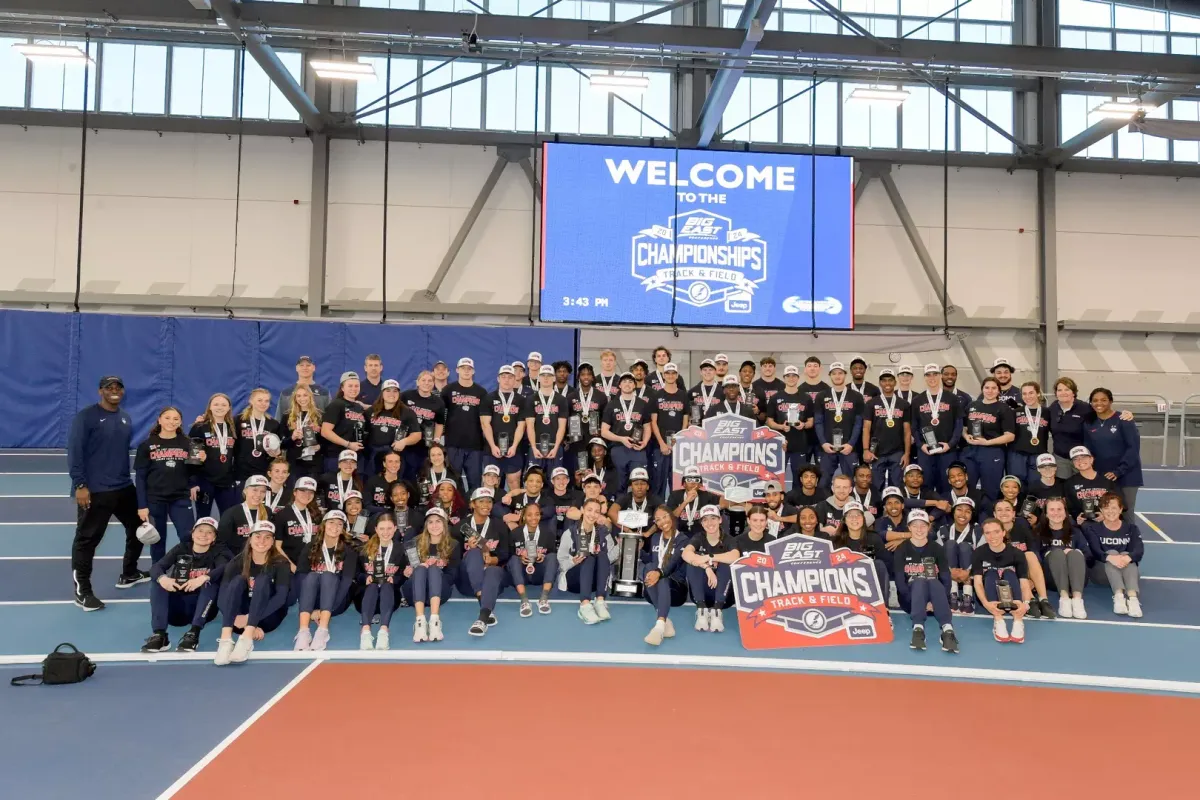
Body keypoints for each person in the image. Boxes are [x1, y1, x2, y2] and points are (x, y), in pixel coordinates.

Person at [141, 516, 228, 653]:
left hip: (204, 609)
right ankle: (159, 635)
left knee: (210, 583)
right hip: (178, 610)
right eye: (200, 530)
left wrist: (205, 577)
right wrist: (163, 579)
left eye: (209, 532)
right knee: (158, 582)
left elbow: (225, 567)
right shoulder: (181, 548)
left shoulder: (218, 552)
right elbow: (156, 567)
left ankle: (194, 633)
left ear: (214, 538)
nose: (204, 535)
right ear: (193, 534)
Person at [214, 520, 292, 665]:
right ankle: (226, 641)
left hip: (268, 615)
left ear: (273, 541)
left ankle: (247, 638)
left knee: (262, 580)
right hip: (238, 620)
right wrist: (236, 618)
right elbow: (223, 595)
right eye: (258, 536)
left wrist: (250, 620)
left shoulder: (281, 563)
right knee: (237, 581)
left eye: (267, 537)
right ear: (250, 539)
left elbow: (281, 598)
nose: (262, 541)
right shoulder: (237, 561)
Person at [135, 406, 196, 565]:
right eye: (167, 418)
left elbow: (194, 471)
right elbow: (140, 477)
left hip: (180, 497)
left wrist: (200, 462)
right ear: (159, 420)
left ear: (181, 422)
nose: (171, 421)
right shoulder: (147, 445)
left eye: (176, 419)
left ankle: (186, 567)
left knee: (187, 535)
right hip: (155, 499)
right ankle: (158, 568)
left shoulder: (188, 443)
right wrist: (142, 505)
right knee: (157, 537)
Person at [893, 509, 959, 653]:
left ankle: (947, 630)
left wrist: (936, 600)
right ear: (909, 527)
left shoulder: (937, 548)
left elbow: (946, 579)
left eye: (923, 525)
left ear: (929, 527)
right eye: (915, 525)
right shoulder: (901, 549)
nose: (919, 529)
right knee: (919, 581)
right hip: (911, 601)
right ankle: (918, 629)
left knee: (934, 582)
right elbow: (899, 582)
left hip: (935, 603)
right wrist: (919, 602)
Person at [293, 509, 360, 651]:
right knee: (311, 576)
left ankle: (322, 630)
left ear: (343, 529)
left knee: (329, 575)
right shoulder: (311, 546)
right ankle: (303, 631)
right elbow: (300, 578)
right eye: (331, 522)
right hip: (312, 600)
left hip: (336, 600)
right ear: (324, 525)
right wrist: (310, 608)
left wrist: (330, 607)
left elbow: (347, 581)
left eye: (339, 524)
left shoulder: (349, 550)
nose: (335, 527)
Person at [403, 507, 462, 643]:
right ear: (426, 525)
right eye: (430, 522)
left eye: (438, 521)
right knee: (421, 569)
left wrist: (436, 567)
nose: (434, 525)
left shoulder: (453, 544)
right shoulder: (414, 543)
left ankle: (435, 621)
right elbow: (405, 571)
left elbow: (452, 576)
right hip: (415, 591)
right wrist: (410, 571)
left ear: (445, 524)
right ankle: (420, 622)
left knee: (433, 570)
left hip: (440, 591)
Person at [971, 518, 1032, 644]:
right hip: (990, 593)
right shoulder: (979, 552)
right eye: (987, 533)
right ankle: (998, 619)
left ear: (1003, 533)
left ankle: (1018, 619)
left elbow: (1024, 581)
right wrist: (986, 604)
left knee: (1009, 573)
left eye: (996, 532)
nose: (992, 536)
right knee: (990, 574)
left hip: (1012, 591)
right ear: (984, 535)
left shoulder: (1017, 553)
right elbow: (977, 582)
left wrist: (1025, 604)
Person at [1084, 492, 1144, 618]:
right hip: (1102, 573)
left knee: (1127, 554)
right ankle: (1118, 597)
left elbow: (1139, 550)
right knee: (1112, 553)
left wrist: (1127, 557)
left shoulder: (1131, 528)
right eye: (1106, 508)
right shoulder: (1093, 529)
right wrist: (1111, 558)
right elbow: (1095, 551)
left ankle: (1132, 599)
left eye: (1114, 508)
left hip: (1127, 573)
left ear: (1121, 509)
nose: (1110, 511)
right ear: (1100, 510)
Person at [993, 498, 1055, 619]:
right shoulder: (991, 531)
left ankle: (1043, 600)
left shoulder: (1022, 526)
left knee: (1029, 555)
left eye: (1007, 509)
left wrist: (1033, 578)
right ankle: (1029, 600)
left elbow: (1034, 550)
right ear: (994, 514)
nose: (1003, 513)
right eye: (999, 510)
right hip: (1004, 574)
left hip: (1024, 571)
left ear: (1013, 513)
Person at [456, 488, 506, 637]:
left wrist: (493, 560)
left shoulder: (499, 525)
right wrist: (469, 552)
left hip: (492, 582)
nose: (486, 504)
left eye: (489, 501)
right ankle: (482, 598)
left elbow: (505, 554)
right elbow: (453, 557)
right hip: (468, 583)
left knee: (494, 570)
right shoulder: (461, 526)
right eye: (481, 501)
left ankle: (483, 618)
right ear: (473, 504)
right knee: (473, 553)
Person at [1084, 388, 1143, 514]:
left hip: (1127, 476)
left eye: (1103, 400)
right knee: (1104, 512)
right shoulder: (1089, 423)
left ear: (1110, 401)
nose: (1099, 403)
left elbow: (1133, 448)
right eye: (1095, 400)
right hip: (1103, 476)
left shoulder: (1124, 420)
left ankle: (1131, 534)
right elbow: (1088, 450)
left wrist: (1118, 471)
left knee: (1125, 512)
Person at [682, 505, 737, 632]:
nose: (710, 523)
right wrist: (706, 567)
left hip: (724, 595)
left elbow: (735, 556)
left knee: (726, 562)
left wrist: (709, 557)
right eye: (705, 519)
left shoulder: (728, 539)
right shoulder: (699, 537)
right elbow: (686, 554)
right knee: (693, 562)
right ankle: (702, 611)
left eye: (713, 518)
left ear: (720, 520)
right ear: (701, 523)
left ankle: (717, 612)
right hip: (703, 593)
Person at [559, 498, 614, 625]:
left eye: (596, 511)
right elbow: (561, 561)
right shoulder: (570, 533)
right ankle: (584, 605)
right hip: (574, 580)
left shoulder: (603, 531)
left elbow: (613, 555)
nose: (592, 514)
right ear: (582, 510)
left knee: (601, 555)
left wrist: (617, 548)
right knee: (587, 557)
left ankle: (600, 601)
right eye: (589, 510)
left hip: (594, 582)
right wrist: (573, 561)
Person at [961, 377, 1015, 503]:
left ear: (998, 391)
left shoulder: (1004, 409)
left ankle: (989, 519)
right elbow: (963, 428)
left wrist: (987, 442)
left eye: (993, 388)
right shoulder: (972, 405)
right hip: (971, 451)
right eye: (987, 387)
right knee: (967, 487)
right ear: (982, 389)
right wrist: (966, 436)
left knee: (990, 490)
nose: (990, 391)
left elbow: (1010, 436)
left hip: (992, 452)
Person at [641, 506, 690, 646]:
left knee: (663, 577)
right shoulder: (656, 537)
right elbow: (651, 560)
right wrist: (638, 549)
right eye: (658, 520)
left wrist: (659, 573)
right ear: (655, 524)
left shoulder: (683, 539)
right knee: (649, 567)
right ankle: (664, 620)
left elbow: (674, 563)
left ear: (671, 517)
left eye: (665, 517)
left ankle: (659, 626)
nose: (662, 522)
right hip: (654, 591)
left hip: (677, 590)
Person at [188, 392, 240, 521]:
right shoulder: (199, 427)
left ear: (229, 408)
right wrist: (193, 483)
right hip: (205, 481)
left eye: (224, 404)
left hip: (226, 482)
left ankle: (224, 542)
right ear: (210, 407)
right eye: (216, 404)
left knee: (228, 519)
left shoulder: (233, 428)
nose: (220, 407)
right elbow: (192, 458)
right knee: (203, 518)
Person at [1035, 497, 1087, 619]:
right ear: (1046, 513)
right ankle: (1064, 599)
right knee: (1057, 553)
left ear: (1065, 512)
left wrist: (1075, 552)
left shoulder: (1075, 532)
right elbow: (1035, 557)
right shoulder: (1038, 532)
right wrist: (1049, 555)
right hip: (1052, 579)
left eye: (1059, 509)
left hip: (1076, 580)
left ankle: (1077, 600)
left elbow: (1088, 555)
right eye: (1052, 510)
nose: (1056, 513)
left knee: (1074, 553)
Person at [442, 357, 489, 491]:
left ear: (473, 371)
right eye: (463, 368)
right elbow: (440, 416)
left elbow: (485, 420)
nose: (466, 371)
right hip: (453, 444)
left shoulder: (481, 392)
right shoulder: (448, 390)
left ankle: (474, 511)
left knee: (475, 483)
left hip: (475, 445)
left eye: (469, 369)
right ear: (457, 370)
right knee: (453, 482)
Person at [913, 363, 961, 494]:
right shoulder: (917, 400)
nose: (932, 377)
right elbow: (914, 426)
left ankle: (945, 512)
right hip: (926, 451)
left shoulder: (953, 398)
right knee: (925, 483)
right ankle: (927, 513)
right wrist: (921, 445)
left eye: (935, 374)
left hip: (947, 450)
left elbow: (958, 424)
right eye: (928, 375)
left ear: (940, 376)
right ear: (924, 377)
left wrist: (950, 444)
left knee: (947, 484)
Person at [814, 362, 863, 489]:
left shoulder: (856, 396)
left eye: (840, 373)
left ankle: (851, 508)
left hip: (848, 448)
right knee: (823, 482)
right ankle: (823, 508)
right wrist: (823, 443)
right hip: (828, 448)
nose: (837, 376)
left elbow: (858, 423)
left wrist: (851, 444)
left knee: (850, 482)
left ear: (845, 375)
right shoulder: (821, 396)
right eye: (834, 373)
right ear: (830, 375)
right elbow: (818, 422)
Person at [601, 372, 651, 493]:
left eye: (630, 382)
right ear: (619, 385)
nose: (627, 384)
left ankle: (637, 510)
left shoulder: (642, 404)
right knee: (619, 485)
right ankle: (618, 510)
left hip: (637, 450)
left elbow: (647, 427)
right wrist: (621, 439)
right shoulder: (611, 404)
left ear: (634, 385)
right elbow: (604, 431)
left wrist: (644, 442)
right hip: (618, 449)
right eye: (624, 381)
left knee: (639, 483)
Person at [862, 369, 911, 493]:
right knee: (875, 487)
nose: (887, 383)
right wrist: (866, 450)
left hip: (897, 452)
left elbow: (907, 431)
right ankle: (877, 511)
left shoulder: (904, 404)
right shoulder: (871, 403)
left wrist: (907, 453)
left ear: (895, 382)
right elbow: (866, 428)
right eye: (884, 380)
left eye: (890, 380)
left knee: (897, 487)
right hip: (876, 452)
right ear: (880, 383)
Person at [765, 365, 814, 489]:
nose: (791, 378)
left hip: (800, 444)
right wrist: (781, 427)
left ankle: (796, 504)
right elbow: (769, 421)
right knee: (775, 477)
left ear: (798, 378)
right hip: (780, 444)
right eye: (788, 376)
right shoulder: (775, 398)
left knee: (799, 478)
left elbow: (811, 421)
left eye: (794, 376)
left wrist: (803, 425)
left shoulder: (806, 398)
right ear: (784, 378)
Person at [506, 502, 558, 617]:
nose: (533, 518)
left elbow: (552, 554)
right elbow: (507, 556)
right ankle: (524, 601)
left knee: (553, 557)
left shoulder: (548, 533)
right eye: (529, 515)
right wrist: (520, 558)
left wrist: (542, 557)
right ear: (524, 516)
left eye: (537, 514)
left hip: (539, 574)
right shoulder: (515, 533)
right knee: (514, 559)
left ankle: (544, 598)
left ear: (540, 516)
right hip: (521, 575)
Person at [829, 502, 889, 601]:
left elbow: (887, 564)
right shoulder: (835, 542)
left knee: (879, 564)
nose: (854, 518)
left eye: (858, 515)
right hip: (845, 585)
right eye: (850, 516)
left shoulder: (874, 538)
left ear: (863, 519)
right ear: (844, 520)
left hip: (869, 584)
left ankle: (883, 608)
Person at [482, 364, 526, 491]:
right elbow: (485, 424)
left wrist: (514, 446)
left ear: (515, 379)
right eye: (503, 376)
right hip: (492, 449)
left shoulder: (521, 400)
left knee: (514, 482)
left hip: (514, 449)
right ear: (498, 379)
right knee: (491, 484)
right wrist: (492, 446)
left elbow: (521, 426)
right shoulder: (488, 398)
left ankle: (516, 510)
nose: (507, 380)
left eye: (510, 377)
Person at [365, 379, 421, 479]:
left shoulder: (407, 412)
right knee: (374, 482)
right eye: (388, 390)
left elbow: (417, 435)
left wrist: (404, 441)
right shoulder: (371, 411)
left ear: (399, 394)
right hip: (373, 454)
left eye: (395, 391)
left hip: (396, 455)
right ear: (382, 393)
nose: (392, 393)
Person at [936, 496, 982, 612]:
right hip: (949, 573)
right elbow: (937, 557)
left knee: (964, 546)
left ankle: (968, 595)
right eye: (959, 509)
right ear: (953, 511)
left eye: (968, 511)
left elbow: (982, 556)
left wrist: (968, 572)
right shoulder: (943, 530)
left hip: (969, 573)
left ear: (972, 515)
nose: (963, 514)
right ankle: (952, 595)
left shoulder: (977, 531)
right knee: (950, 544)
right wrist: (949, 571)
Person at [649, 362, 688, 498]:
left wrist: (678, 439)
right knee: (658, 482)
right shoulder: (656, 395)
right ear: (663, 375)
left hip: (677, 445)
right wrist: (661, 443)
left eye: (673, 373)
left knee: (676, 483)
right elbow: (653, 422)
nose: (670, 375)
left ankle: (674, 513)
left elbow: (685, 420)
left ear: (677, 375)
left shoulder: (683, 395)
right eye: (668, 373)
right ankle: (657, 514)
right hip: (660, 446)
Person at [400, 370, 447, 481]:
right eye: (423, 380)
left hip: (425, 445)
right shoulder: (406, 396)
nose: (427, 383)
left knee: (423, 476)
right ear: (417, 382)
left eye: (430, 380)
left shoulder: (438, 402)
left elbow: (440, 423)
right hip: (407, 443)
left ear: (434, 383)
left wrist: (436, 439)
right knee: (406, 475)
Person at [564, 362, 606, 478]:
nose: (586, 377)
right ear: (578, 377)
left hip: (595, 440)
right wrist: (566, 438)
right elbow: (566, 419)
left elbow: (605, 419)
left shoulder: (601, 396)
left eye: (588, 374)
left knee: (595, 471)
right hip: (577, 441)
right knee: (580, 471)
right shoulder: (571, 397)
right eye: (583, 374)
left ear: (593, 377)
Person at [525, 365, 568, 474]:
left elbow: (562, 427)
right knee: (534, 479)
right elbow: (529, 426)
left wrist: (556, 448)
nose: (546, 378)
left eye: (549, 375)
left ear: (554, 378)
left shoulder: (561, 400)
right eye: (543, 375)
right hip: (536, 446)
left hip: (555, 446)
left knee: (555, 480)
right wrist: (534, 447)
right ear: (538, 378)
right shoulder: (531, 399)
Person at [234, 388, 283, 485]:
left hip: (263, 471)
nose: (263, 403)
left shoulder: (273, 424)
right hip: (241, 472)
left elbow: (278, 450)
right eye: (259, 400)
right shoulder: (238, 420)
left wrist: (276, 453)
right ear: (251, 401)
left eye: (266, 401)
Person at [320, 372, 367, 473]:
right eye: (350, 386)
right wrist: (348, 444)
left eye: (356, 386)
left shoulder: (359, 407)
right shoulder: (336, 405)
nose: (353, 388)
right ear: (342, 388)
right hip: (336, 457)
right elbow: (325, 431)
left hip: (355, 457)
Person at [1008, 381, 1051, 487]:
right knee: (1017, 486)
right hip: (1017, 455)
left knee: (1036, 486)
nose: (1028, 396)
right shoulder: (1015, 412)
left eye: (1031, 393)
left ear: (1038, 394)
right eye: (1024, 394)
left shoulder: (1047, 412)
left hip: (1038, 454)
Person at [216, 474, 272, 553]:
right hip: (237, 559)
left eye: (263, 491)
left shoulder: (268, 511)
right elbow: (220, 544)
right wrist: (233, 562)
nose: (258, 494)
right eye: (255, 490)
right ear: (245, 490)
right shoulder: (231, 513)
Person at [1063, 446, 1116, 524]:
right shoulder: (1069, 483)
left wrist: (1105, 514)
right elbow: (1070, 507)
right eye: (1076, 459)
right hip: (1083, 525)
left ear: (1091, 459)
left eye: (1083, 457)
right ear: (1073, 464)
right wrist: (1078, 516)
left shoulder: (1107, 479)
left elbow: (1120, 503)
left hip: (1108, 522)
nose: (1080, 461)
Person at [275, 476, 319, 572]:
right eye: (303, 490)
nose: (307, 495)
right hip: (290, 566)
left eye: (310, 492)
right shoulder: (282, 514)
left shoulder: (317, 515)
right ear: (295, 492)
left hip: (313, 566)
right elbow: (277, 546)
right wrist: (290, 565)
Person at [282, 383, 323, 482]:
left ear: (310, 397)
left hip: (314, 464)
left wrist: (319, 445)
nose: (302, 398)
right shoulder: (287, 417)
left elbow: (327, 441)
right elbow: (282, 445)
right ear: (295, 398)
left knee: (310, 494)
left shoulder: (320, 416)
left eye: (305, 395)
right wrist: (292, 438)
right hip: (294, 463)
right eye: (298, 396)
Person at [666, 465, 720, 535]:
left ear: (700, 484)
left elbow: (723, 502)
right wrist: (686, 501)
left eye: (696, 480)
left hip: (701, 535)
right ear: (684, 484)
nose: (693, 483)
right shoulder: (675, 495)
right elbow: (671, 517)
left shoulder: (707, 495)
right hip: (679, 534)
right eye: (689, 480)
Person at [416, 443, 462, 507]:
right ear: (429, 458)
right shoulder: (422, 475)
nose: (436, 458)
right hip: (427, 511)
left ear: (444, 456)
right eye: (433, 455)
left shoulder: (454, 475)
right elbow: (418, 498)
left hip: (449, 510)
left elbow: (461, 498)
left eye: (439, 454)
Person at [1026, 453, 1063, 520]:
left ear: (1056, 467)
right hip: (1041, 523)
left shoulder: (1064, 484)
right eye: (1043, 467)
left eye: (1051, 466)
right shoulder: (1032, 488)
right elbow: (1028, 511)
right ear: (1038, 469)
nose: (1047, 470)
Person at [686, 358, 721, 422]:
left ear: (715, 372)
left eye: (710, 369)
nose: (708, 372)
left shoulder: (722, 391)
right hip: (697, 428)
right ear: (700, 372)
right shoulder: (692, 391)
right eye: (705, 370)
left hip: (716, 427)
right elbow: (686, 412)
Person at [752, 356, 784, 420]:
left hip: (778, 422)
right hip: (759, 422)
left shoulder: (783, 386)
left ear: (774, 368)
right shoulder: (753, 385)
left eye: (770, 366)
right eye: (765, 366)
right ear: (761, 368)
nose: (767, 368)